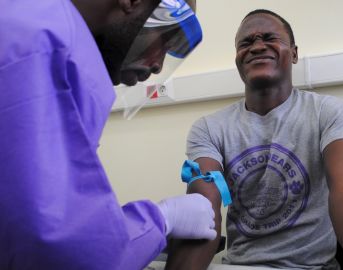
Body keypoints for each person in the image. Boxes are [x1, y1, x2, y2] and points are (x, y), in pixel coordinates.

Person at [166, 9, 343, 270]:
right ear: (237, 60)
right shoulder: (209, 128)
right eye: (245, 43)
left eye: (269, 38)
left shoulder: (329, 113)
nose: (257, 46)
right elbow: (203, 208)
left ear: (293, 53)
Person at [0, 0, 216, 269]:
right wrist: (161, 219)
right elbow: (60, 251)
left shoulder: (28, 16)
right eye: (165, 39)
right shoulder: (45, 41)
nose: (159, 65)